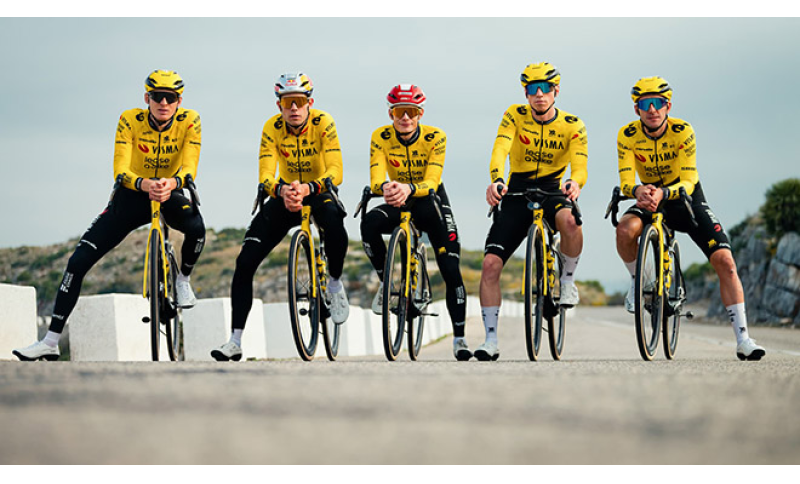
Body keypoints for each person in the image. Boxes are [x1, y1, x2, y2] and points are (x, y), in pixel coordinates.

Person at [13, 69, 206, 361]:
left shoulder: (190, 120)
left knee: (197, 228)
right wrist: (143, 184)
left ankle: (182, 280)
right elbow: (121, 169)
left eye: (170, 98)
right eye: (157, 96)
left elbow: (190, 166)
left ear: (179, 101)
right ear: (147, 98)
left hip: (170, 191)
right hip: (132, 194)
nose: (163, 103)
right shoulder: (129, 119)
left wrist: (172, 183)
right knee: (77, 262)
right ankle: (50, 341)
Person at [616, 76, 766, 361]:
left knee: (726, 262)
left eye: (658, 103)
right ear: (637, 109)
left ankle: (743, 339)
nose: (652, 109)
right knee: (624, 230)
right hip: (649, 197)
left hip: (684, 197)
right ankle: (639, 283)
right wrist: (637, 190)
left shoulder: (683, 131)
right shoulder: (627, 134)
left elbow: (689, 179)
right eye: (645, 104)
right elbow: (625, 180)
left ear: (668, 106)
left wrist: (664, 192)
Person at [211, 72, 349, 361]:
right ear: (279, 106)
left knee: (335, 226)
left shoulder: (323, 122)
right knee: (244, 262)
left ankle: (335, 283)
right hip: (285, 194)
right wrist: (281, 190)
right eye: (288, 103)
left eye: (299, 101)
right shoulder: (271, 127)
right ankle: (235, 341)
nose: (294, 108)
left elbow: (336, 170)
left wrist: (309, 188)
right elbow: (265, 174)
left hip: (317, 190)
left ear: (310, 103)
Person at [478, 62, 588, 361]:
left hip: (553, 189)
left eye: (545, 89)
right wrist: (497, 179)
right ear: (525, 93)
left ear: (556, 91)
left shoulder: (573, 124)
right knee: (490, 265)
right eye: (532, 89)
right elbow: (500, 148)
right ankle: (490, 340)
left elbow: (579, 164)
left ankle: (567, 281)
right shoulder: (514, 114)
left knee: (571, 221)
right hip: (517, 190)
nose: (539, 94)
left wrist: (575, 183)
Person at [360, 84, 471, 361]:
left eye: (411, 111)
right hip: (397, 195)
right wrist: (386, 188)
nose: (405, 117)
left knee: (450, 267)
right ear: (391, 114)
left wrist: (410, 188)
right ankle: (387, 284)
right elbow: (376, 177)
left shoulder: (436, 137)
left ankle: (459, 338)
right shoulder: (380, 136)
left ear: (420, 114)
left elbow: (432, 179)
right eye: (399, 112)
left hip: (429, 200)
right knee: (369, 223)